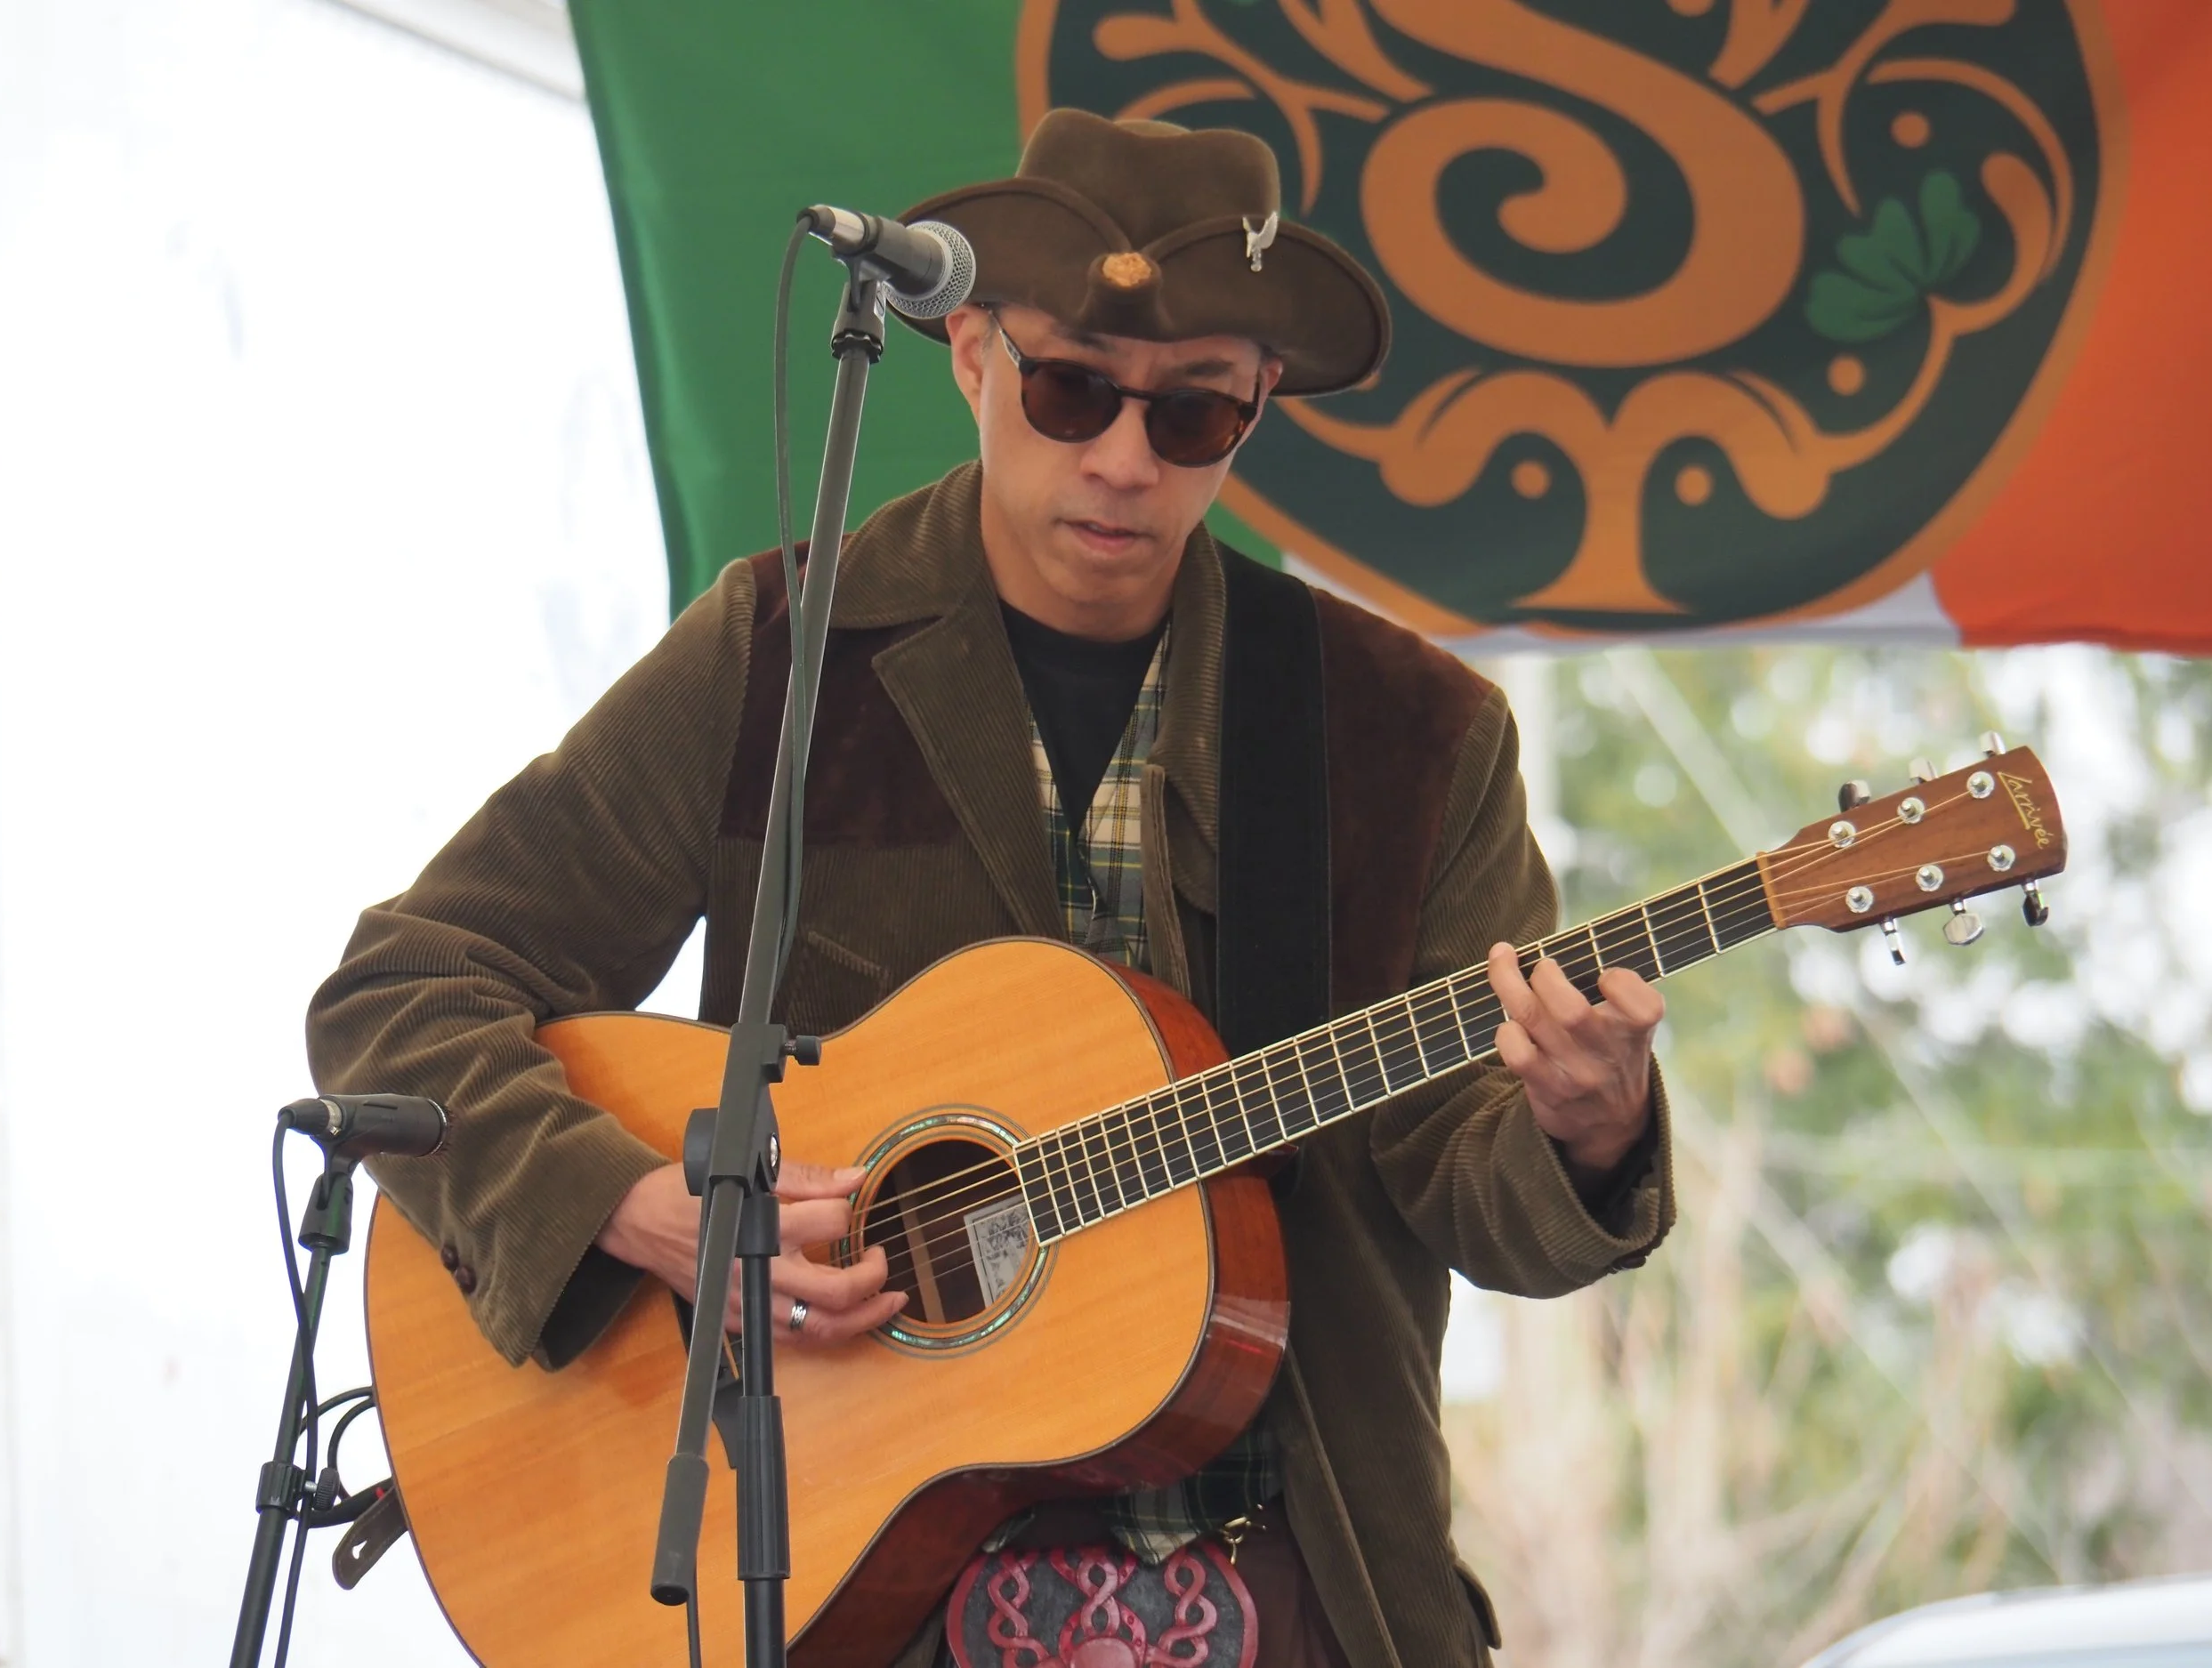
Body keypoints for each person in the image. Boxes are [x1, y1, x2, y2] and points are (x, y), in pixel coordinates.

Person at [308, 109, 1673, 1668]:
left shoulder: (1411, 734)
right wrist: (629, 1203)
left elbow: (1484, 1196)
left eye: (1193, 418)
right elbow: (398, 997)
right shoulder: (778, 656)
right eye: (1072, 385)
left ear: (1258, 408)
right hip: (851, 1593)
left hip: (1293, 1590)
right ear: (968, 352)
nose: (1118, 457)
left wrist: (1589, 1130)